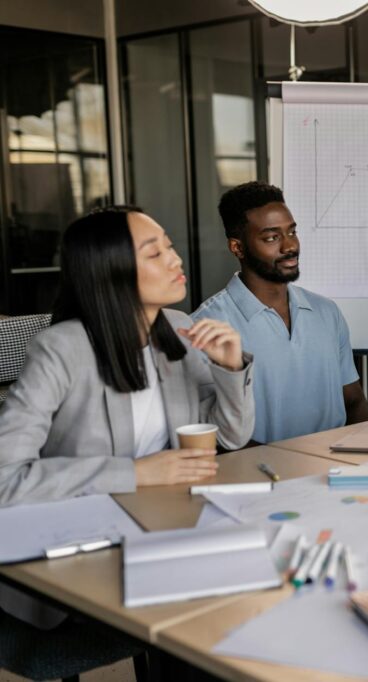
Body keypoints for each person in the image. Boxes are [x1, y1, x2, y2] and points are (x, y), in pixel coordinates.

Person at [0, 206, 254, 626]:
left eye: (170, 247)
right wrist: (134, 473)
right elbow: (5, 477)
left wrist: (230, 368)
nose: (176, 260)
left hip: (161, 521)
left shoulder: (177, 328)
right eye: (155, 254)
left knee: (245, 577)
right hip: (74, 547)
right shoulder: (62, 348)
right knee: (213, 603)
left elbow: (230, 437)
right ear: (110, 270)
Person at [193, 181, 368, 443]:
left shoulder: (327, 312)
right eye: (272, 237)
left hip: (336, 471)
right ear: (237, 248)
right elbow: (211, 432)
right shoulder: (207, 325)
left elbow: (354, 402)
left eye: (292, 232)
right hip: (263, 475)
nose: (290, 247)